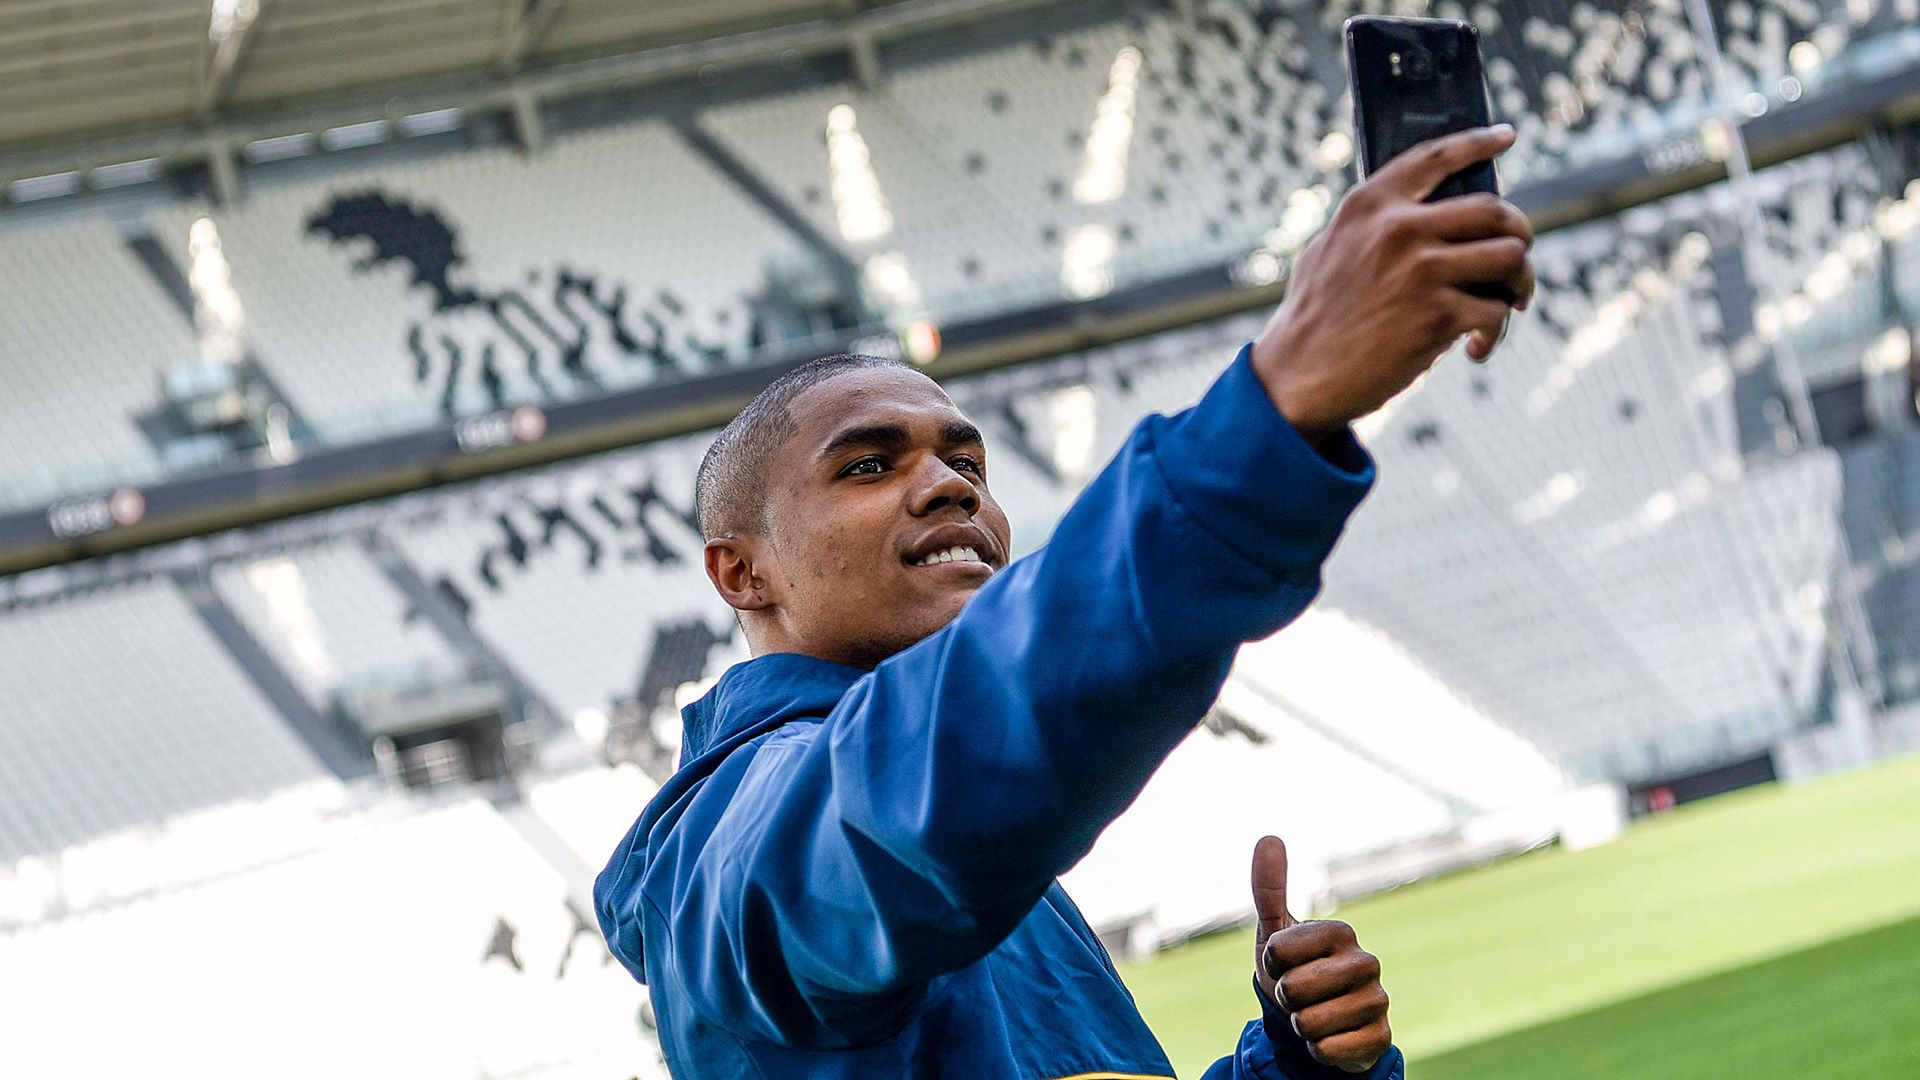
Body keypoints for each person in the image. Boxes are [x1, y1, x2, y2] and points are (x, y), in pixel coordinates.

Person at [596, 125, 1536, 1079]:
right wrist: (1277, 403)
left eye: (966, 461)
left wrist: (1292, 1070)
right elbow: (913, 790)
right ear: (740, 574)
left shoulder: (945, 821)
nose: (951, 486)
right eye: (871, 464)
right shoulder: (736, 837)